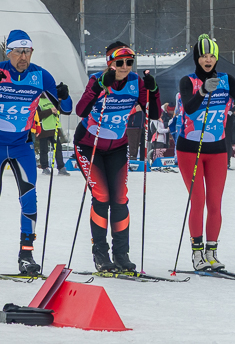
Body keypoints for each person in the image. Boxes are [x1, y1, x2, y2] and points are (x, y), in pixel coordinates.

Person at [174, 34, 235, 271]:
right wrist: (202, 91)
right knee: (198, 200)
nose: (208, 59)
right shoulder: (187, 81)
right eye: (203, 55)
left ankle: (211, 252)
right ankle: (197, 253)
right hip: (190, 149)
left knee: (215, 203)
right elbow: (189, 109)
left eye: (212, 55)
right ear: (197, 57)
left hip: (217, 149)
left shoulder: (226, 79)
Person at [75, 42, 159, 272]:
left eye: (129, 62)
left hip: (118, 148)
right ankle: (101, 254)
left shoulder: (136, 83)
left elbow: (155, 113)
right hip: (88, 145)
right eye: (119, 62)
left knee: (120, 200)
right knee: (101, 197)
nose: (124, 67)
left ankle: (121, 254)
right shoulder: (97, 80)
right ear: (109, 63)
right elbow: (81, 110)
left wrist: (154, 91)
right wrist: (100, 87)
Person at [0, 30, 72, 275]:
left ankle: (26, 254)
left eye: (27, 51)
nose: (23, 57)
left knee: (29, 197)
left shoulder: (40, 76)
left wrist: (64, 94)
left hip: (22, 145)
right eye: (18, 51)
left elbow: (67, 109)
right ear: (8, 52)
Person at [34, 94, 68, 175]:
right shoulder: (38, 101)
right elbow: (37, 115)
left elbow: (60, 111)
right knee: (44, 150)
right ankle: (45, 168)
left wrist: (57, 110)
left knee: (58, 149)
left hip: (54, 129)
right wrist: (50, 111)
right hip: (43, 129)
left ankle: (61, 167)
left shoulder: (52, 99)